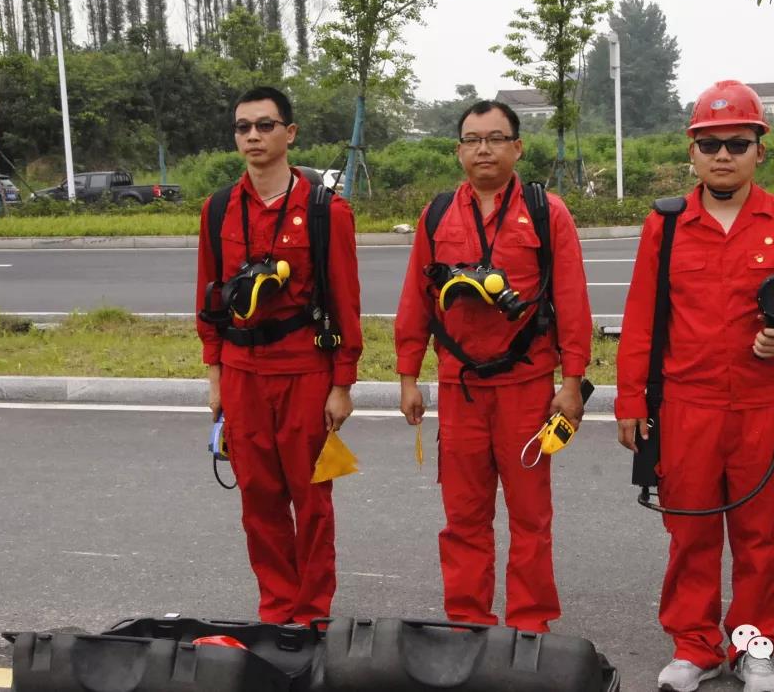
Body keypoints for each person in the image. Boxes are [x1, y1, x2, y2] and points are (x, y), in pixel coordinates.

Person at [616, 80, 774, 692]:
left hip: (761, 407)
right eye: (709, 144)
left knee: (758, 535)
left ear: (759, 151)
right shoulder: (665, 224)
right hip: (686, 405)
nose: (723, 155)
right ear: (692, 152)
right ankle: (695, 646)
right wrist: (630, 400)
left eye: (737, 143)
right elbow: (641, 318)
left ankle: (752, 646)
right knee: (689, 531)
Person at [394, 100, 593, 633]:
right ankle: (467, 624)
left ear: (517, 147)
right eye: (473, 139)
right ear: (459, 150)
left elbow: (572, 301)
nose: (484, 149)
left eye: (496, 138)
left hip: (526, 387)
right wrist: (408, 377)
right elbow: (416, 299)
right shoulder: (438, 214)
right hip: (459, 388)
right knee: (464, 516)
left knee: (531, 517)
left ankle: (530, 626)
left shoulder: (547, 212)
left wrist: (571, 383)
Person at [195, 86, 362, 625]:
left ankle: (311, 613)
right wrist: (215, 375)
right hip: (242, 373)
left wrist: (342, 384)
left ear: (289, 134)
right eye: (243, 127)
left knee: (311, 501)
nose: (253, 136)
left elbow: (345, 301)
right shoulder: (218, 209)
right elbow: (209, 299)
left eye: (265, 125)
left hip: (304, 371)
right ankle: (276, 607)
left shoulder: (326, 211)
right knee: (258, 499)